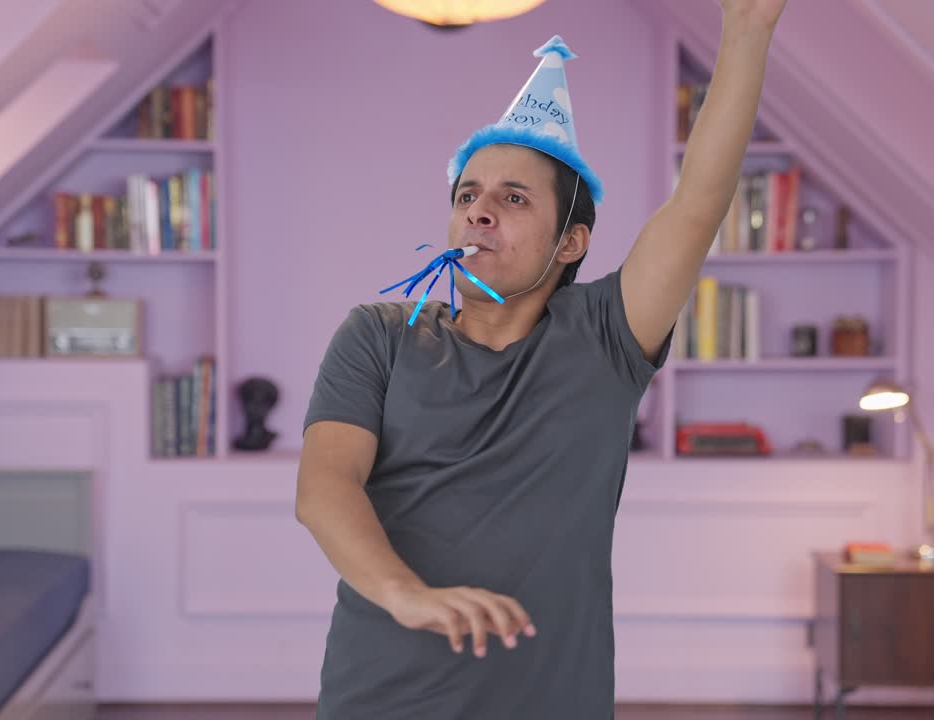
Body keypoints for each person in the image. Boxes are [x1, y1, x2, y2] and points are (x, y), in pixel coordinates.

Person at [295, 2, 787, 717]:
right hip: (379, 695)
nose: (478, 211)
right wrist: (409, 596)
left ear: (570, 244)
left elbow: (697, 204)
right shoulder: (378, 333)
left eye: (513, 198)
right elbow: (325, 487)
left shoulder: (606, 336)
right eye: (468, 195)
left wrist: (747, 30)